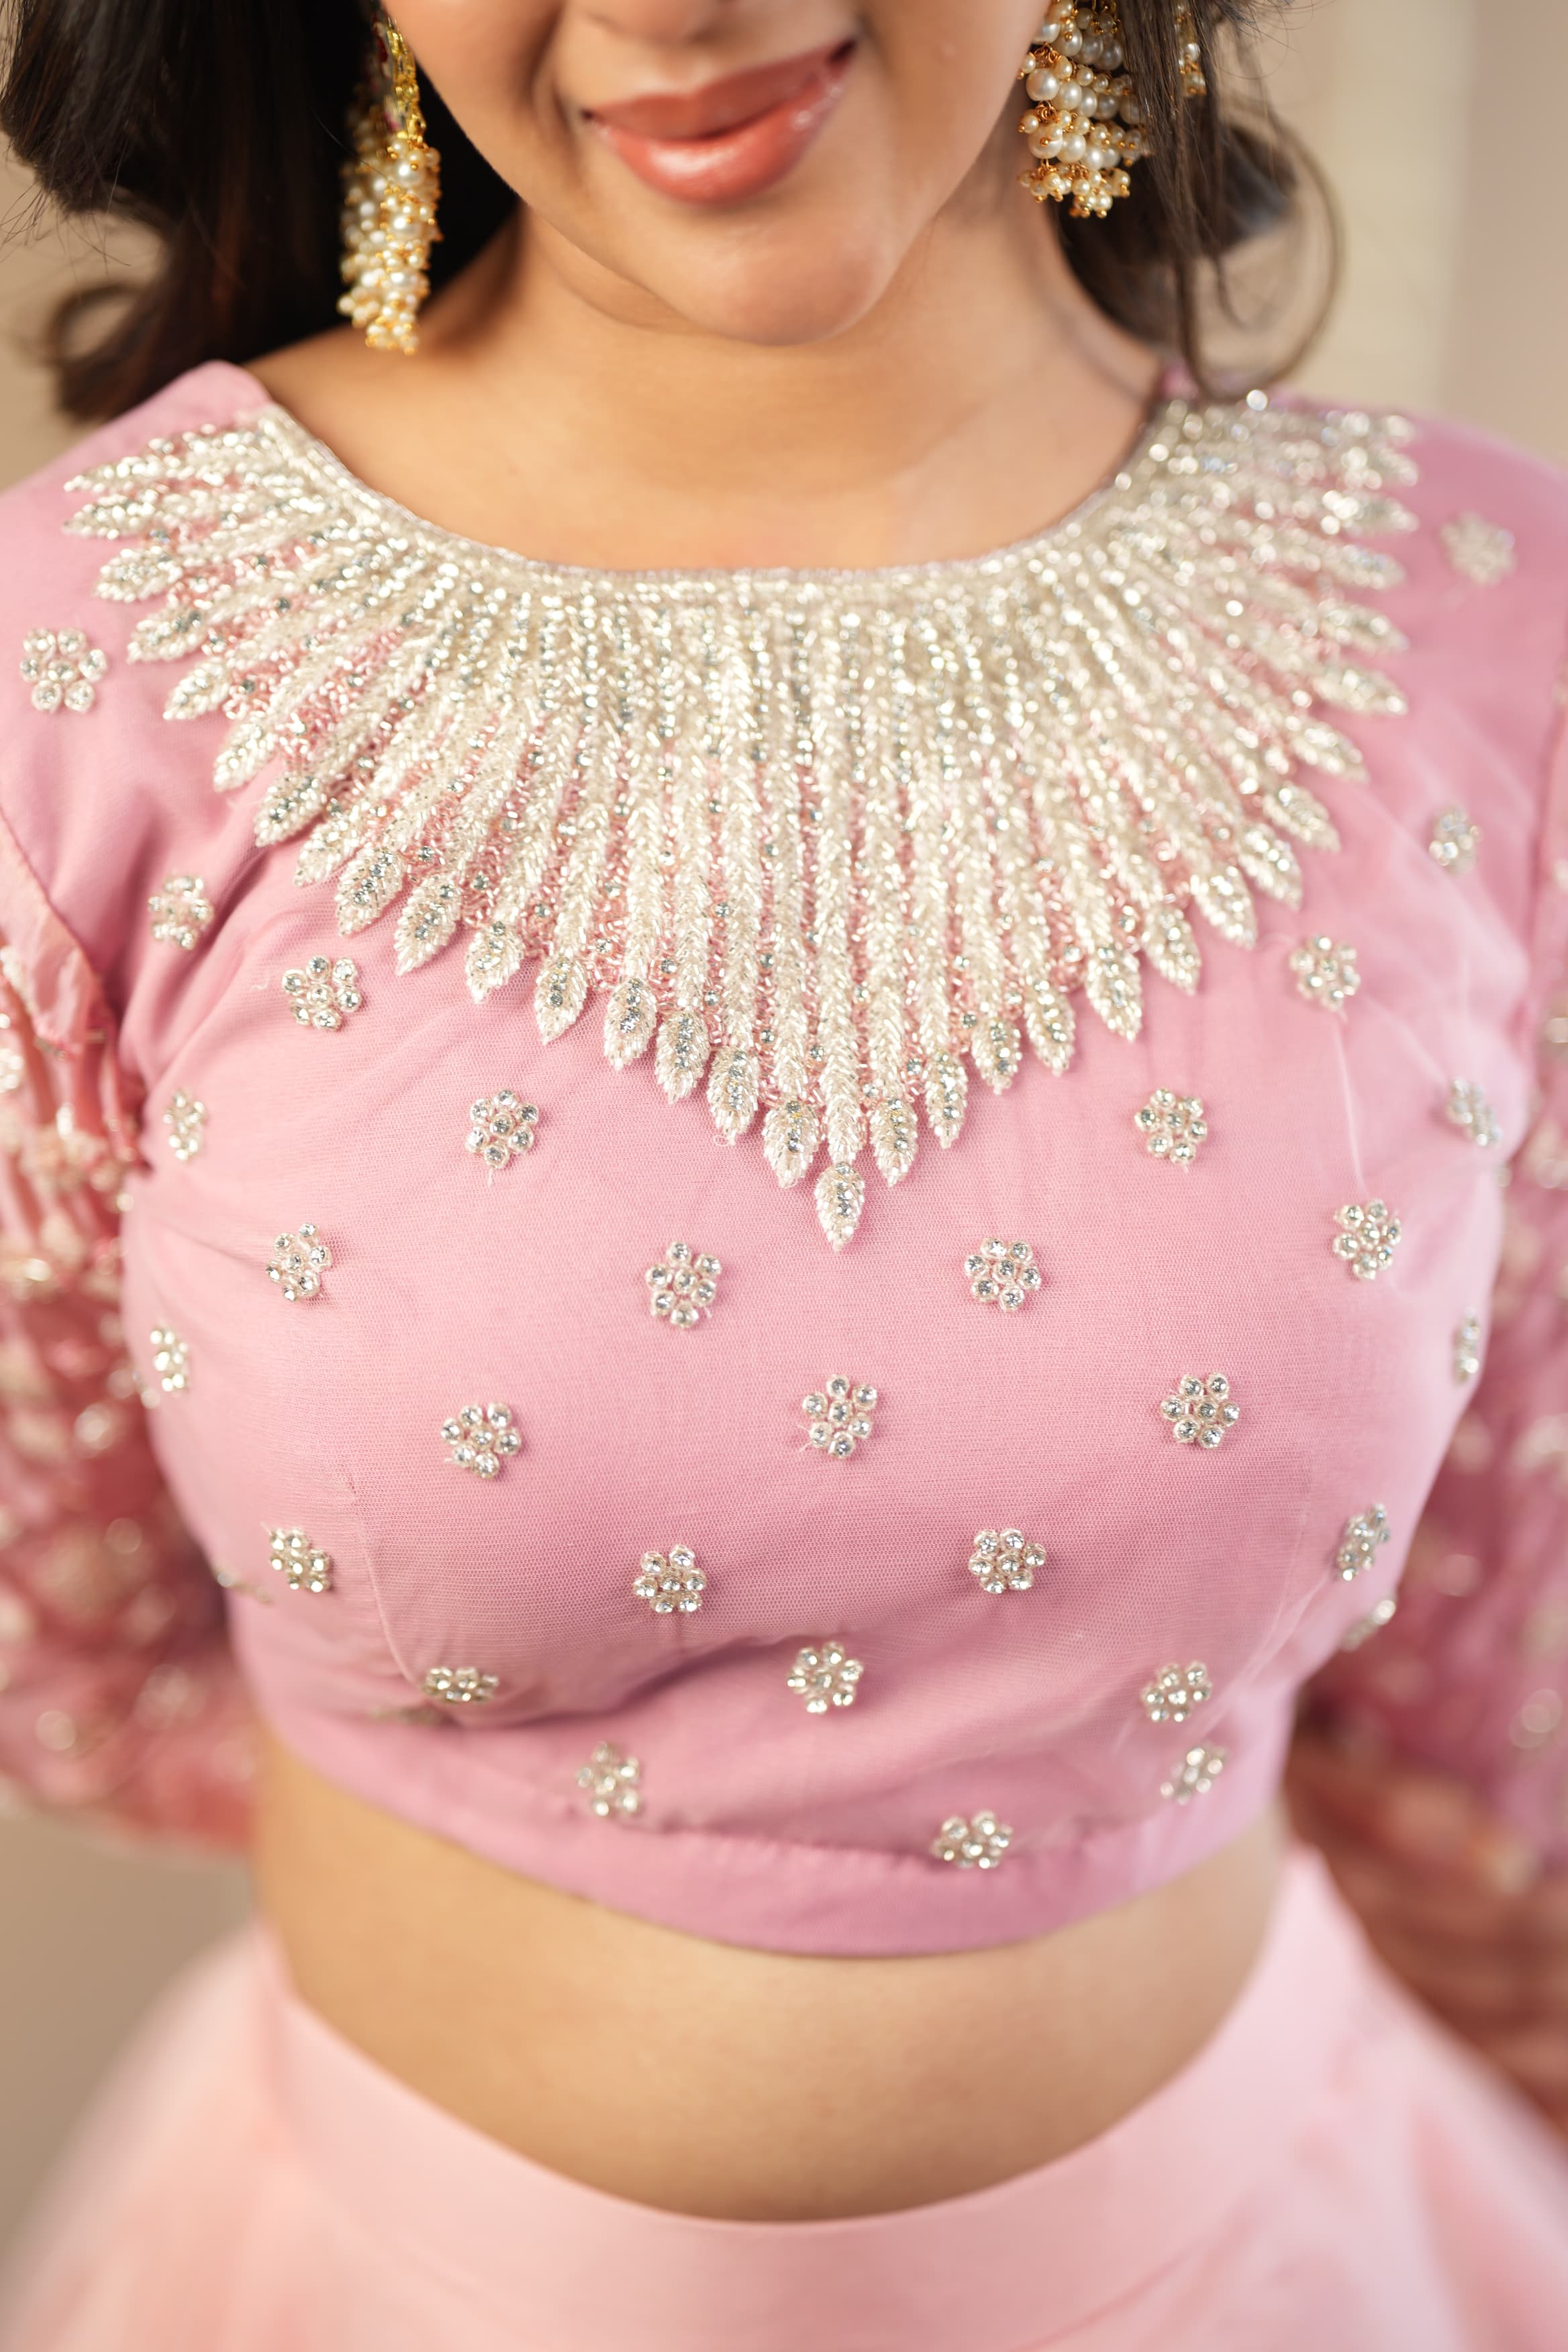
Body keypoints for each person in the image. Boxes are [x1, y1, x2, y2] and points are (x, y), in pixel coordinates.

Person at [0, 1, 1565, 2344]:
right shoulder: (79, 668)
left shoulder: (1485, 626)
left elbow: (1493, 1683)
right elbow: (64, 1625)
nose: (669, 11)